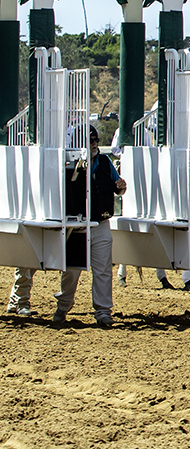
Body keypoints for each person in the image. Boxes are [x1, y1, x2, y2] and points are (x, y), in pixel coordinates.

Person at [49, 125, 126, 326]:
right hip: (76, 225)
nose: (93, 144)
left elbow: (118, 185)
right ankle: (64, 305)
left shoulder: (104, 161)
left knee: (103, 269)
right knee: (72, 270)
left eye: (95, 140)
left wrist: (121, 187)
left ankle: (103, 312)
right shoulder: (67, 162)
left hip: (100, 223)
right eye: (89, 141)